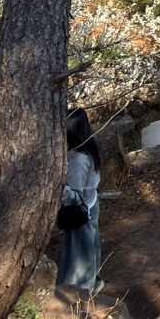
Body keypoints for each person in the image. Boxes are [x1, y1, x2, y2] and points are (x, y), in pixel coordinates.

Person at [57, 108, 104, 294]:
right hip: (92, 204)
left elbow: (75, 195)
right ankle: (94, 282)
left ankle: (81, 290)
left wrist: (57, 189)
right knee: (91, 246)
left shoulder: (78, 159)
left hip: (81, 211)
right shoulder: (88, 148)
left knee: (79, 253)